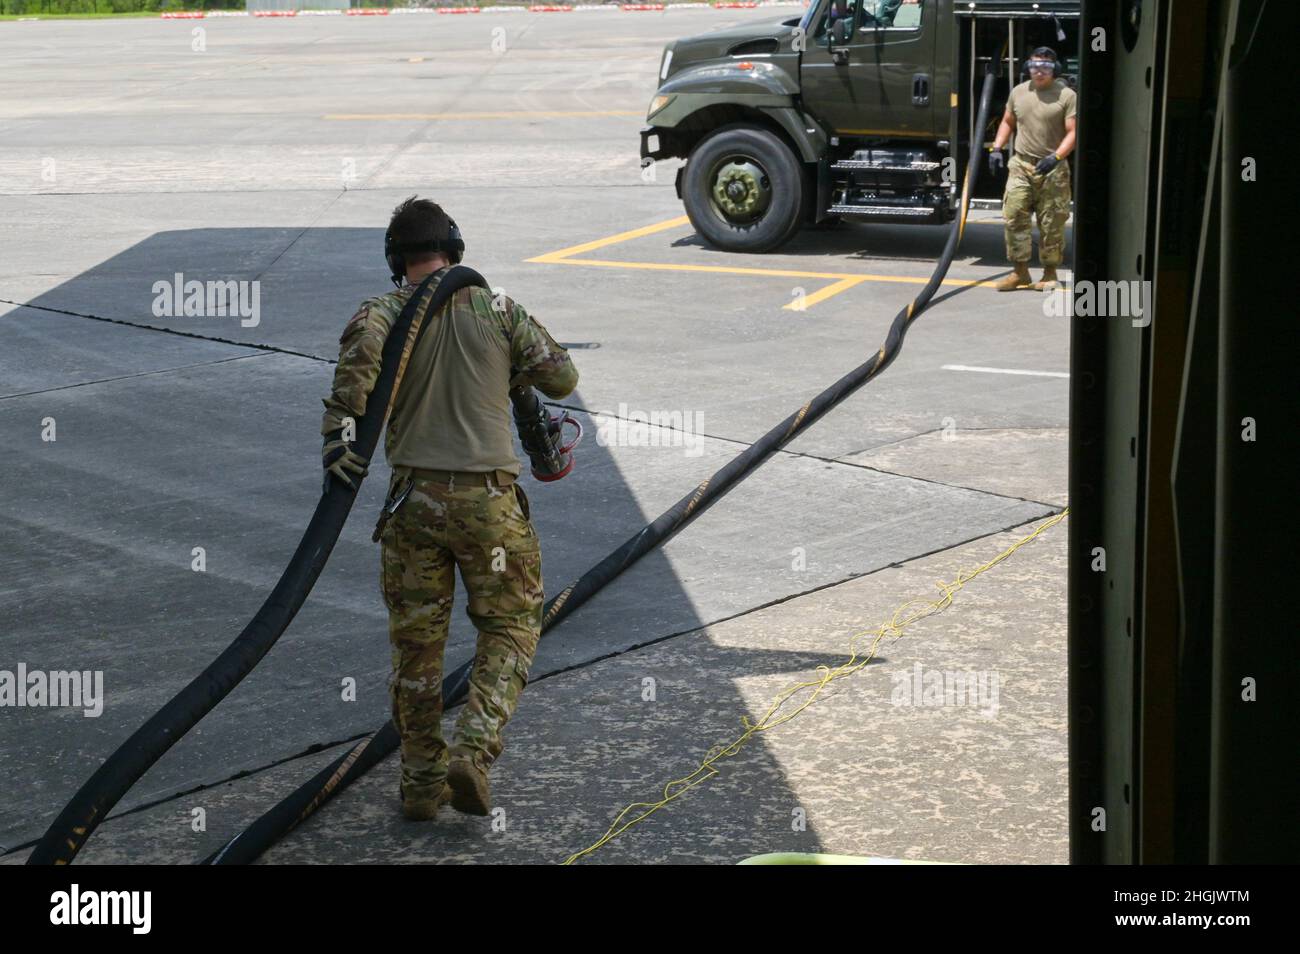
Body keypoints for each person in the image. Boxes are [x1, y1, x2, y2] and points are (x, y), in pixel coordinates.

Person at [320, 197, 578, 821]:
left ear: (395, 259)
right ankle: (475, 747)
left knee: (416, 651)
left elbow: (348, 401)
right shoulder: (498, 308)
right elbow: (563, 380)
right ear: (455, 249)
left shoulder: (379, 315)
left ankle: (420, 785)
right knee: (513, 625)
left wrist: (338, 444)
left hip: (412, 507)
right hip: (488, 506)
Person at [988, 47, 1077, 292]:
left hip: (1053, 168)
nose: (1040, 71)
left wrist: (1057, 156)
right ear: (1028, 66)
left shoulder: (1066, 95)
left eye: (1046, 66)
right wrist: (996, 148)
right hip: (1021, 164)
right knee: (1014, 215)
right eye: (1035, 65)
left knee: (1051, 222)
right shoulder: (1018, 92)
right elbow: (1008, 121)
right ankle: (1020, 273)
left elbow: (1073, 132)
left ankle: (1049, 274)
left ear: (1055, 69)